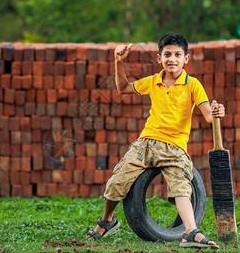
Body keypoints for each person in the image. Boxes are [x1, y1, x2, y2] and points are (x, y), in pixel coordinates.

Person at [86, 33, 224, 249]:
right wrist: (118, 62)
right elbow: (123, 88)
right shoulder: (153, 81)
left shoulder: (193, 85)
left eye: (178, 54)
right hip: (146, 143)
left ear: (186, 59)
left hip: (175, 148)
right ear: (159, 58)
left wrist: (216, 112)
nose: (172, 59)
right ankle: (107, 221)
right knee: (115, 184)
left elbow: (208, 115)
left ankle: (192, 232)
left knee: (181, 188)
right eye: (167, 54)